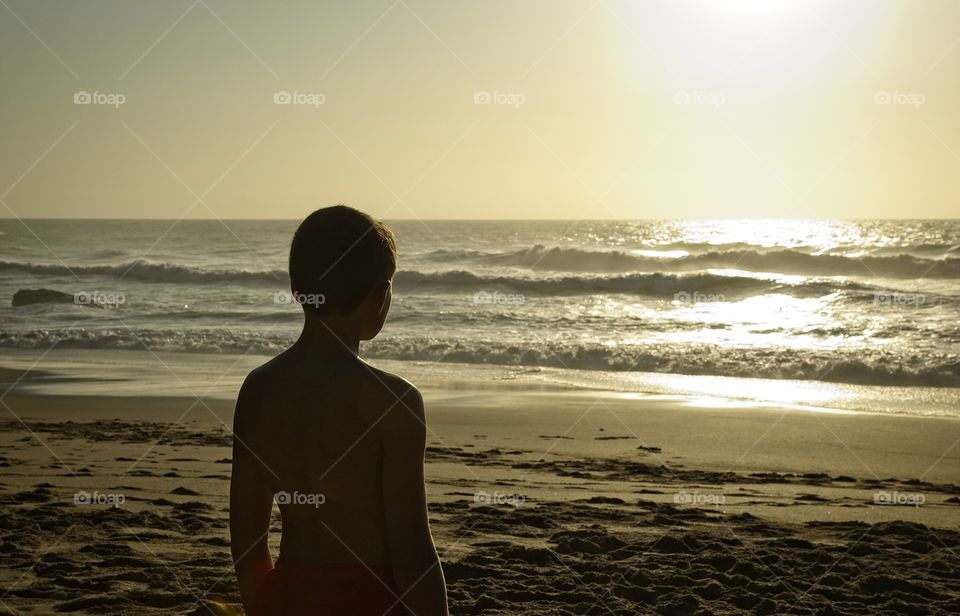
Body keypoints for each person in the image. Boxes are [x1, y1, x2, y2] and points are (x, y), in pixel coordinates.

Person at [230, 205, 449, 616]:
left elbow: (247, 541)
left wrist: (264, 605)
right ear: (380, 296)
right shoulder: (393, 402)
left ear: (300, 289)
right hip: (371, 599)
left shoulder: (258, 390)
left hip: (289, 593)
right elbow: (412, 553)